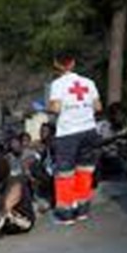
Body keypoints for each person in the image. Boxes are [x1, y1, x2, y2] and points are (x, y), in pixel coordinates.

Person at [48, 51, 103, 225]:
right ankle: (82, 209)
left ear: (57, 65)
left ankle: (66, 213)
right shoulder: (88, 82)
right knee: (85, 170)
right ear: (73, 63)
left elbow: (55, 108)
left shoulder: (57, 84)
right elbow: (98, 106)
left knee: (65, 173)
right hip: (89, 130)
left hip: (68, 133)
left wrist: (48, 107)